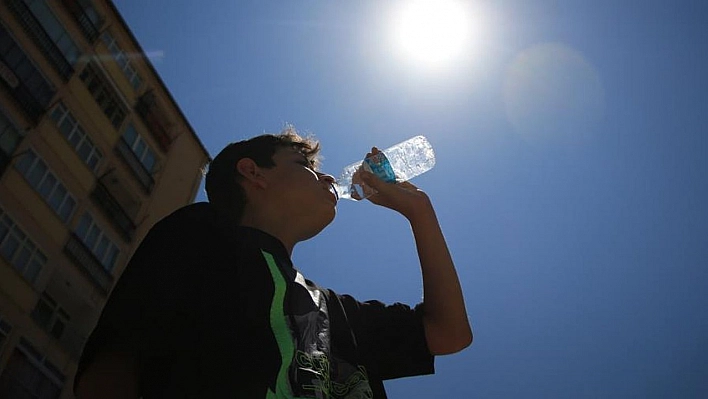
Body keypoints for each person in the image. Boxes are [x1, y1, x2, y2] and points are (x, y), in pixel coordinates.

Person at [74, 128, 472, 398]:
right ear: (252, 173)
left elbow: (449, 334)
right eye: (305, 166)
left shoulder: (334, 313)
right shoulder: (203, 234)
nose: (328, 177)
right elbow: (113, 369)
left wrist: (419, 211)